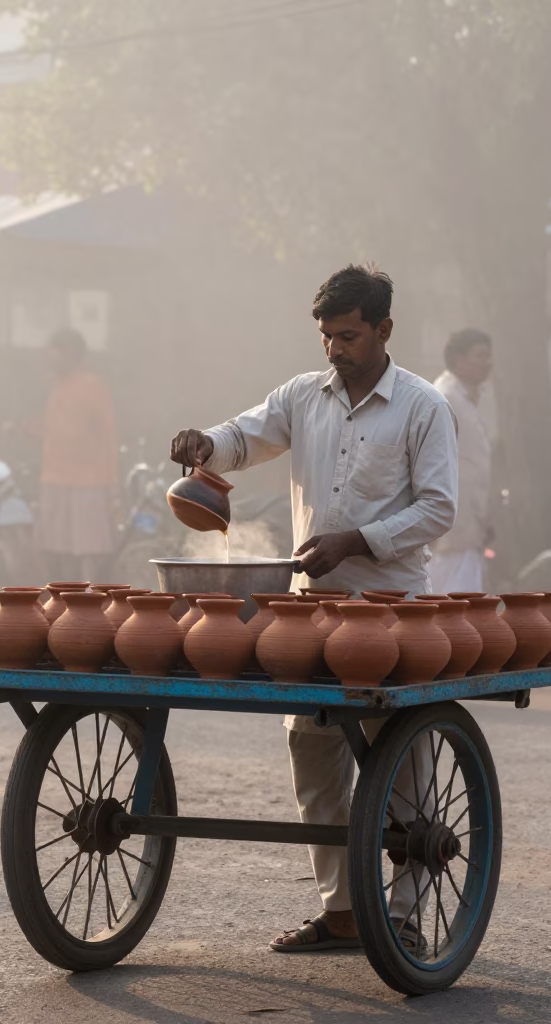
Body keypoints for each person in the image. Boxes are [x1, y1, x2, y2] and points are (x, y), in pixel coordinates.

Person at [170, 263, 459, 951]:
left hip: (393, 613)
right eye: (327, 335)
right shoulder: (303, 396)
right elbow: (246, 437)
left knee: (402, 766)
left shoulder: (423, 407)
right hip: (313, 613)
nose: (335, 347)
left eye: (350, 335)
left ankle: (406, 915)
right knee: (313, 748)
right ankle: (340, 913)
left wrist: (358, 540)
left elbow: (439, 509)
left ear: (385, 329)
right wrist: (204, 444)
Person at [34, 328, 119, 581]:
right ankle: (63, 598)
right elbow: (54, 428)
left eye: (59, 354)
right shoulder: (54, 386)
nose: (53, 360)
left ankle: (89, 597)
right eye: (51, 354)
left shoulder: (92, 386)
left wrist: (111, 480)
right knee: (57, 546)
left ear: (74, 356)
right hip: (54, 476)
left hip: (88, 478)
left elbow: (107, 434)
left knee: (87, 547)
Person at [426, 329, 494, 593]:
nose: (487, 362)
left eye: (488, 356)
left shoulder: (469, 399)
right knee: (447, 600)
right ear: (458, 360)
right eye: (480, 355)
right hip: (448, 519)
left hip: (469, 519)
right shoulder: (445, 398)